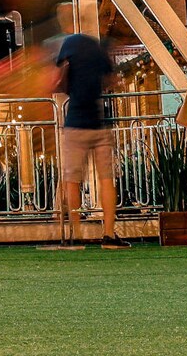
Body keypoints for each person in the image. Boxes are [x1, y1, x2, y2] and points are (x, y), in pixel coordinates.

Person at [51, 29, 128, 248]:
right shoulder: (99, 51)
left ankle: (76, 233)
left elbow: (57, 80)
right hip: (99, 122)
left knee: (72, 180)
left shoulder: (69, 45)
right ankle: (109, 234)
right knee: (106, 179)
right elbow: (110, 81)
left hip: (75, 122)